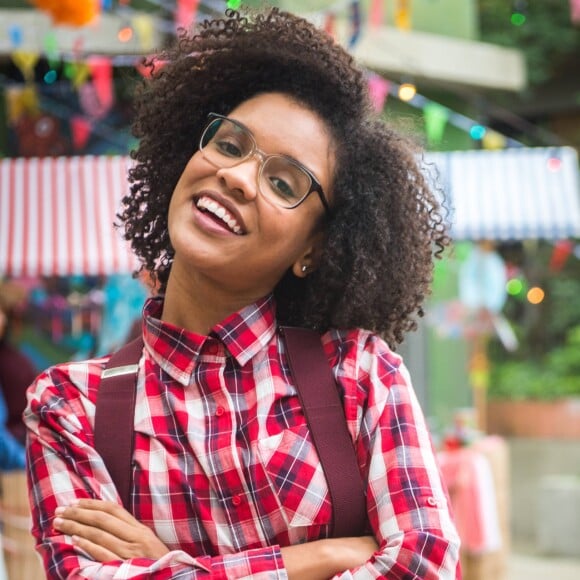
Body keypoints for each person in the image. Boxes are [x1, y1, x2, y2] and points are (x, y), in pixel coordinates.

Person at [24, 7, 461, 579]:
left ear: (314, 249)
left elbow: (423, 563)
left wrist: (174, 568)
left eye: (283, 182)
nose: (236, 176)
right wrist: (328, 556)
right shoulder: (68, 408)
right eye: (230, 145)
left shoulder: (359, 377)